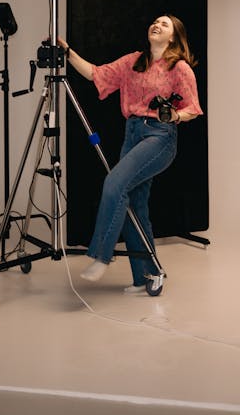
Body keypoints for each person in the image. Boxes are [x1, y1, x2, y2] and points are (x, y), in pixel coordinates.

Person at [58, 14, 203, 292]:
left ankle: (101, 255)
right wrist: (68, 52)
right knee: (133, 205)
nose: (156, 25)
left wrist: (175, 115)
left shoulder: (179, 68)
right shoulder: (134, 61)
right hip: (132, 134)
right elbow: (95, 73)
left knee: (115, 183)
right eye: (155, 22)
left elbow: (192, 109)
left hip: (159, 136)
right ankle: (149, 276)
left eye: (164, 24)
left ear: (172, 37)